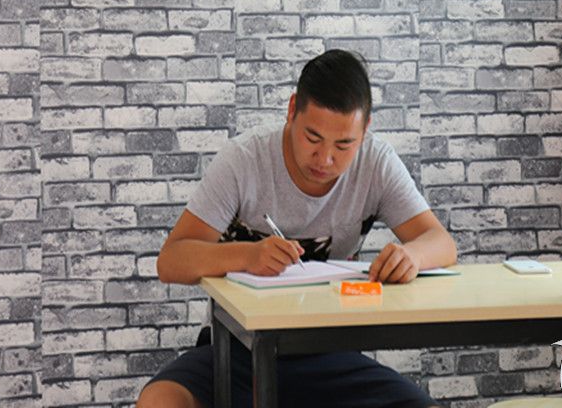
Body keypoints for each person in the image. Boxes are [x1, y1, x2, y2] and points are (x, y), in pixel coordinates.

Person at [137, 49, 456, 408]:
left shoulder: (376, 164)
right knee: (160, 400)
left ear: (365, 129)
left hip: (331, 353)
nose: (326, 159)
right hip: (237, 350)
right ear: (292, 110)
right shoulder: (244, 160)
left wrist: (412, 256)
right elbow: (171, 261)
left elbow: (441, 242)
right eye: (313, 138)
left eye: (344, 144)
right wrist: (248, 255)